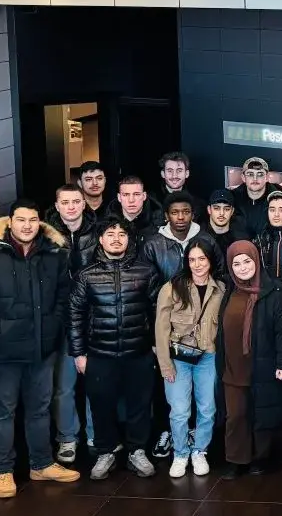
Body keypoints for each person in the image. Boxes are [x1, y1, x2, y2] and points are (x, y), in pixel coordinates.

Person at [0, 199, 81, 497]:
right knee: (3, 412)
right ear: (10, 221)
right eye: (21, 219)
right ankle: (1, 471)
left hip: (41, 350)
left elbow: (65, 299)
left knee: (39, 410)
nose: (27, 225)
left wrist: (53, 329)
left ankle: (41, 464)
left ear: (40, 222)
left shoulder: (54, 254)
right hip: (1, 353)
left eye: (33, 219)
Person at [69, 217, 160, 481]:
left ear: (129, 239)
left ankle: (137, 451)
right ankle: (105, 452)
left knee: (140, 405)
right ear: (101, 239)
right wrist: (79, 353)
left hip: (139, 352)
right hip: (100, 354)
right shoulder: (86, 275)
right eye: (110, 233)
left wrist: (155, 347)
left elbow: (157, 312)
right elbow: (74, 316)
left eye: (122, 233)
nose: (116, 238)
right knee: (101, 405)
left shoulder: (146, 271)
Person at [218, 241, 282, 477]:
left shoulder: (274, 291)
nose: (242, 268)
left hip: (263, 364)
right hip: (232, 366)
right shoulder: (228, 289)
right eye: (236, 263)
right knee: (236, 415)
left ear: (257, 261)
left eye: (247, 261)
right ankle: (235, 459)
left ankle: (259, 458)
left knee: (261, 415)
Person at [155, 242, 224, 478]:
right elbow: (161, 328)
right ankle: (180, 453)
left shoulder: (221, 289)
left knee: (207, 408)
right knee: (180, 410)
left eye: (202, 259)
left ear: (211, 261)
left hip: (208, 356)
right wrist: (165, 365)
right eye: (192, 260)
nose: (197, 264)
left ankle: (199, 451)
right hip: (179, 358)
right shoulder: (173, 287)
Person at [46, 184, 98, 464]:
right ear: (57, 205)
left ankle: (95, 434)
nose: (71, 207)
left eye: (75, 201)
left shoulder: (98, 231)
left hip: (93, 318)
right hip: (62, 320)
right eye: (64, 202)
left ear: (84, 203)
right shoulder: (45, 237)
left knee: (94, 383)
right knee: (64, 385)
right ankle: (67, 438)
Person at [230, 157, 282, 239]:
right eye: (250, 174)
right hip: (242, 247)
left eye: (260, 174)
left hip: (270, 247)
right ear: (243, 178)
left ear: (267, 177)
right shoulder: (233, 198)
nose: (255, 179)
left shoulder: (280, 197)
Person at [159, 151, 206, 222]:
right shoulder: (151, 202)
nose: (174, 176)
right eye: (170, 171)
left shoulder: (198, 205)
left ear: (187, 173)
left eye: (179, 171)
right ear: (163, 174)